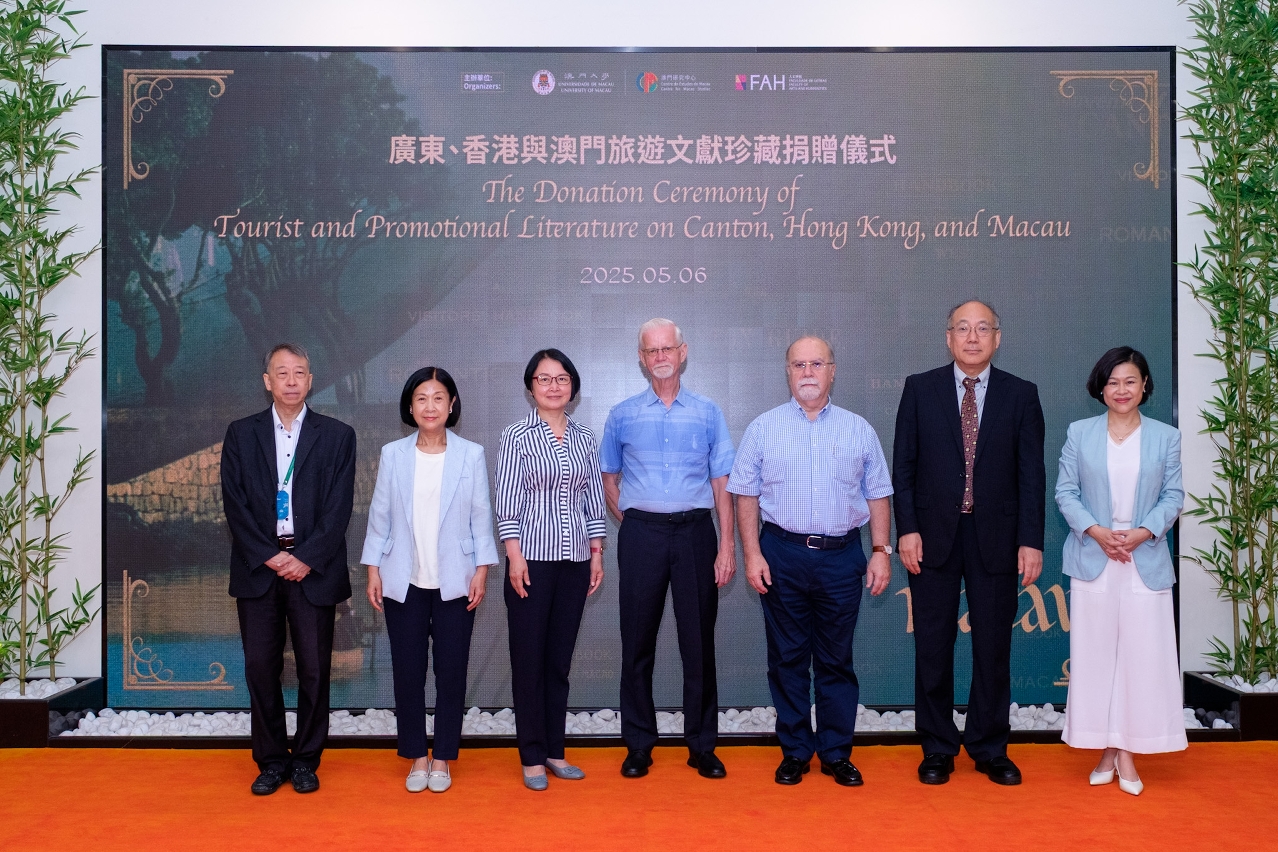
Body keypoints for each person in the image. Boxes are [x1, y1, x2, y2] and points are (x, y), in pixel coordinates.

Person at [727, 336, 894, 787]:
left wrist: (881, 552)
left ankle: (836, 752)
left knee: (836, 660)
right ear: (787, 372)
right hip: (781, 555)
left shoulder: (859, 429)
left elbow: (879, 494)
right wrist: (752, 554)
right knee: (788, 659)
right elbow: (745, 495)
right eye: (798, 364)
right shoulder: (763, 428)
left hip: (842, 558)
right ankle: (797, 751)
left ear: (832, 371)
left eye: (816, 364)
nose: (807, 372)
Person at [892, 300, 1045, 786]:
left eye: (982, 328)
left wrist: (1031, 540)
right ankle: (937, 747)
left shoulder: (1022, 394)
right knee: (933, 647)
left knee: (993, 649)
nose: (972, 337)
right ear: (948, 337)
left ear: (997, 338)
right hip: (932, 537)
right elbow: (904, 468)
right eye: (963, 328)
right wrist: (907, 529)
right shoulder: (920, 389)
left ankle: (989, 746)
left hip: (997, 538)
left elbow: (1032, 476)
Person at [600, 318, 736, 780]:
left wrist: (727, 546)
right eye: (651, 350)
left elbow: (722, 483)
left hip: (697, 534)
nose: (660, 357)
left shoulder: (708, 412)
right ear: (641, 359)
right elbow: (609, 479)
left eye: (667, 348)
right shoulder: (621, 414)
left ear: (682, 352)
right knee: (636, 642)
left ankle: (702, 746)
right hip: (642, 536)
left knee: (698, 644)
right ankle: (639, 745)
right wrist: (637, 521)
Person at [220, 343, 356, 795]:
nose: (291, 381)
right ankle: (272, 761)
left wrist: (305, 558)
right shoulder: (241, 433)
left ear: (310, 380)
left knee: (315, 669)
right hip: (259, 567)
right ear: (268, 382)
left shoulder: (337, 435)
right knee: (261, 667)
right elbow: (234, 504)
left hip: (312, 569)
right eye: (282, 373)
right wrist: (269, 554)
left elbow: (339, 509)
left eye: (299, 372)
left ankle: (306, 761)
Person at [361, 367, 499, 793]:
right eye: (421, 398)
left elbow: (481, 517)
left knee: (451, 672)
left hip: (456, 579)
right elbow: (380, 515)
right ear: (410, 405)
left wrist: (481, 571)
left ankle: (442, 758)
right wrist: (372, 570)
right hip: (403, 579)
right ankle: (417, 757)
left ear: (452, 404)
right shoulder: (393, 454)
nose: (430, 406)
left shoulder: (471, 454)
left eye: (439, 397)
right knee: (408, 671)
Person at [1055, 347, 1185, 795]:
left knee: (1142, 659)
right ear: (1101, 388)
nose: (1121, 390)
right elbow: (1066, 492)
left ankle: (1125, 751)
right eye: (1113, 382)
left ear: (1145, 385)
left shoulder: (1166, 437)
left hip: (1144, 557)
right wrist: (1097, 532)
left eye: (1130, 381)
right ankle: (1107, 747)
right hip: (1095, 556)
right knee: (1096, 659)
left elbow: (1173, 496)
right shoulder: (1080, 433)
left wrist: (1142, 533)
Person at [495, 349, 607, 791]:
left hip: (575, 561)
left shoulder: (584, 437)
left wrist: (596, 551)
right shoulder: (516, 436)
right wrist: (514, 555)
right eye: (544, 379)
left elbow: (593, 498)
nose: (554, 386)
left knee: (559, 662)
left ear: (572, 386)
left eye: (562, 378)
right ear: (531, 387)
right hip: (530, 563)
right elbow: (507, 501)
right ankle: (531, 757)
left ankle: (555, 751)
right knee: (529, 661)